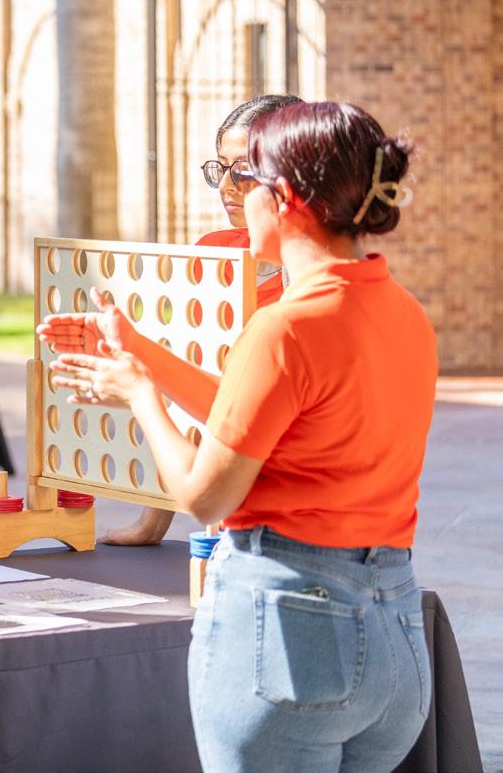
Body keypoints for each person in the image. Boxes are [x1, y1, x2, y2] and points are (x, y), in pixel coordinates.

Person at [41, 101, 434, 771]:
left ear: (284, 199)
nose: (231, 192)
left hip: (292, 632)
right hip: (394, 633)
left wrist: (139, 394)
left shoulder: (284, 329)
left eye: (244, 177)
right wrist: (139, 351)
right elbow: (261, 420)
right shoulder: (402, 311)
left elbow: (204, 498)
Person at [106, 92, 302, 546]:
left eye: (244, 171)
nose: (227, 187)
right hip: (213, 465)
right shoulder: (213, 251)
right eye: (221, 168)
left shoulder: (306, 283)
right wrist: (153, 521)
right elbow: (188, 376)